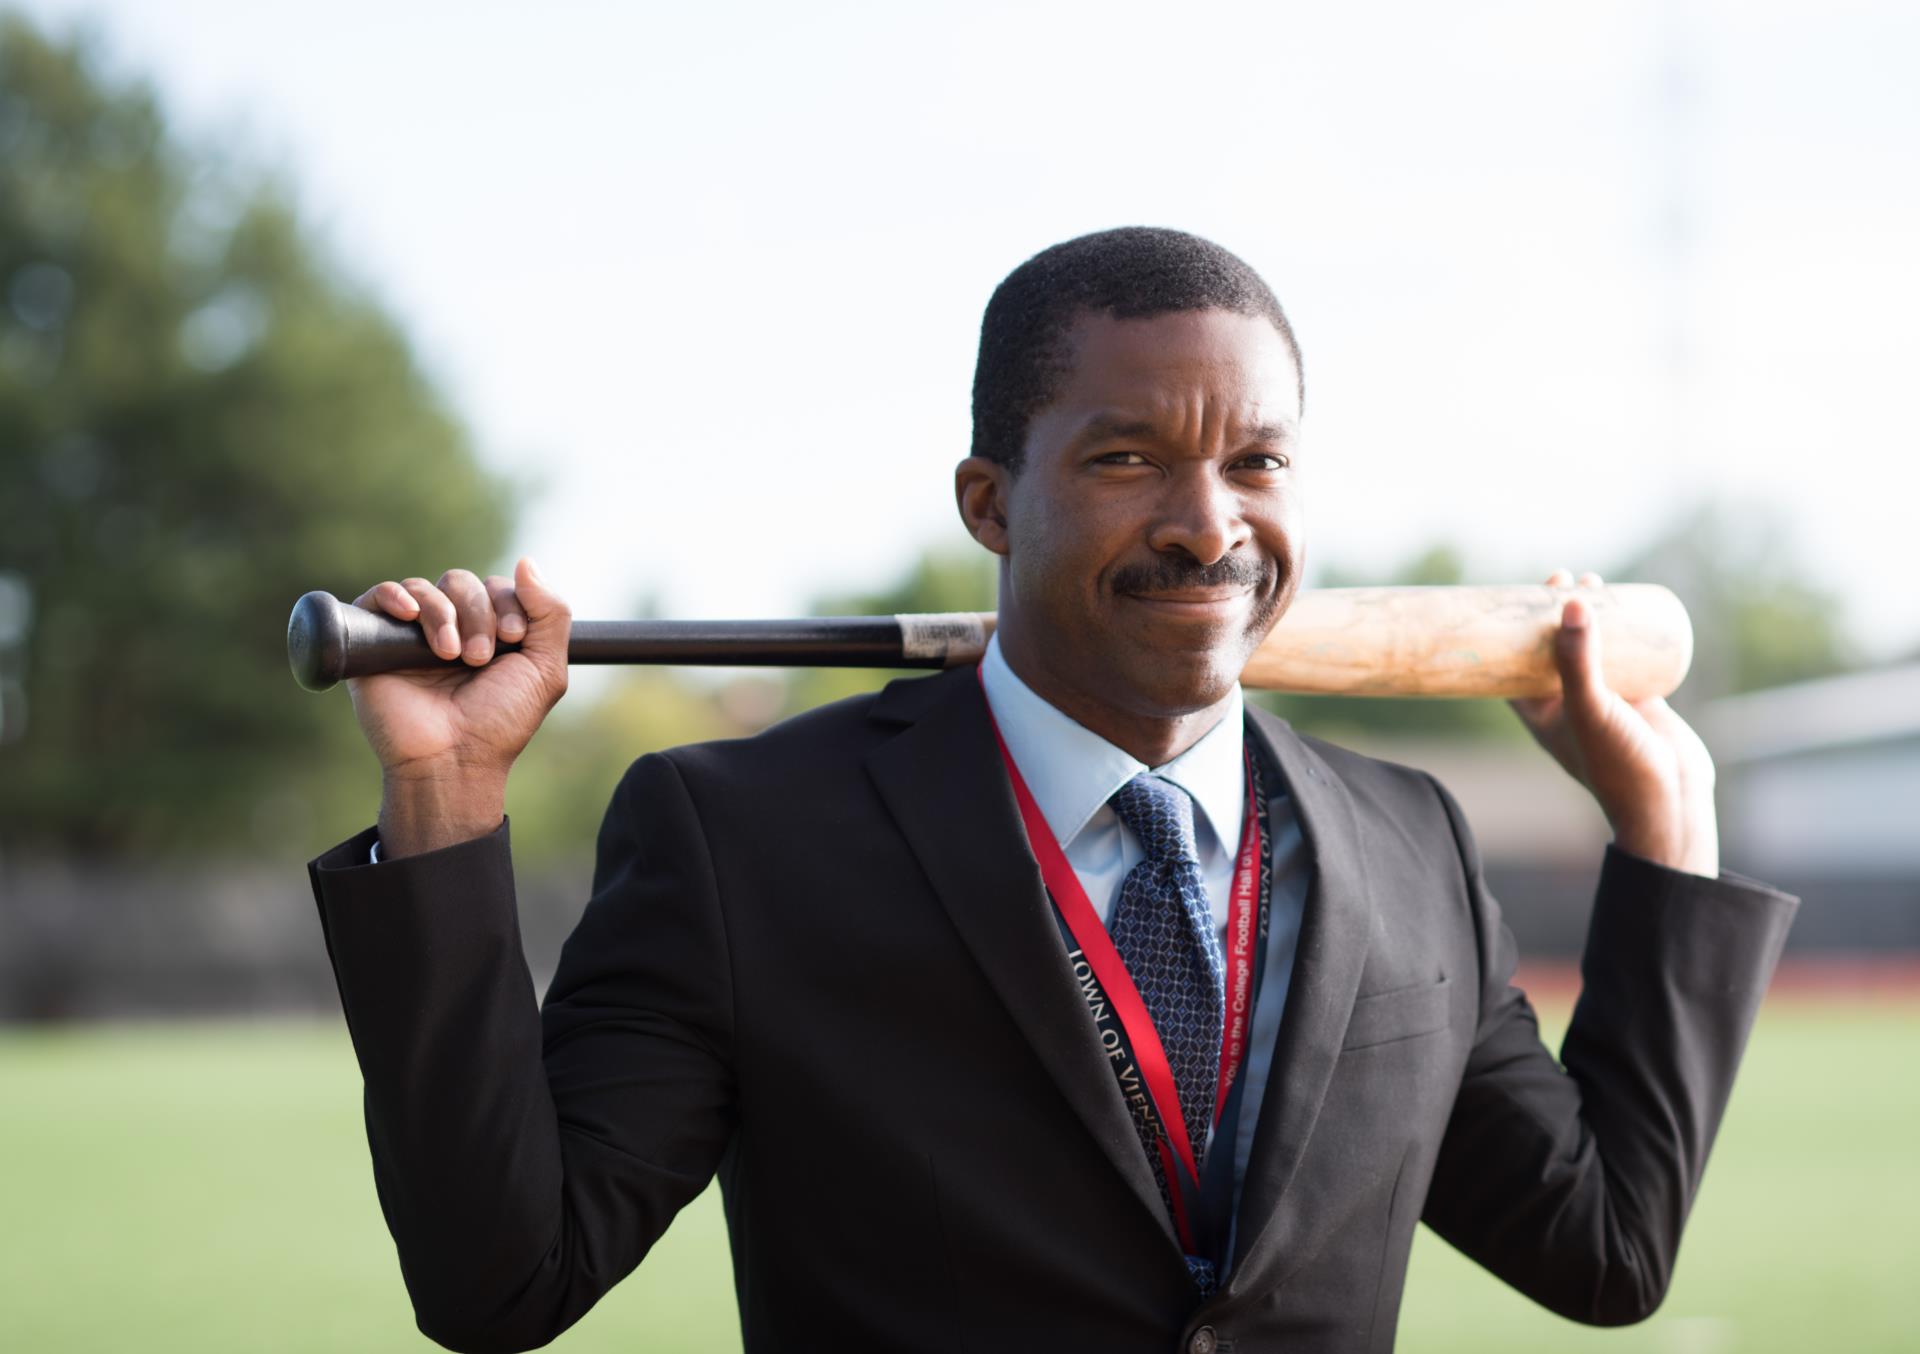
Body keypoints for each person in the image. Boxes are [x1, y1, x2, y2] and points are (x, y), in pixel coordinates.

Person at [307, 227, 1798, 1354]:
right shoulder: (743, 839)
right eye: (1129, 456)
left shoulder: (1408, 836)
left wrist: (1668, 828)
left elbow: (1604, 1247)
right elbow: (502, 1278)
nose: (1209, 525)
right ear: (991, 500)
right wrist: (443, 798)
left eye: (1257, 460)